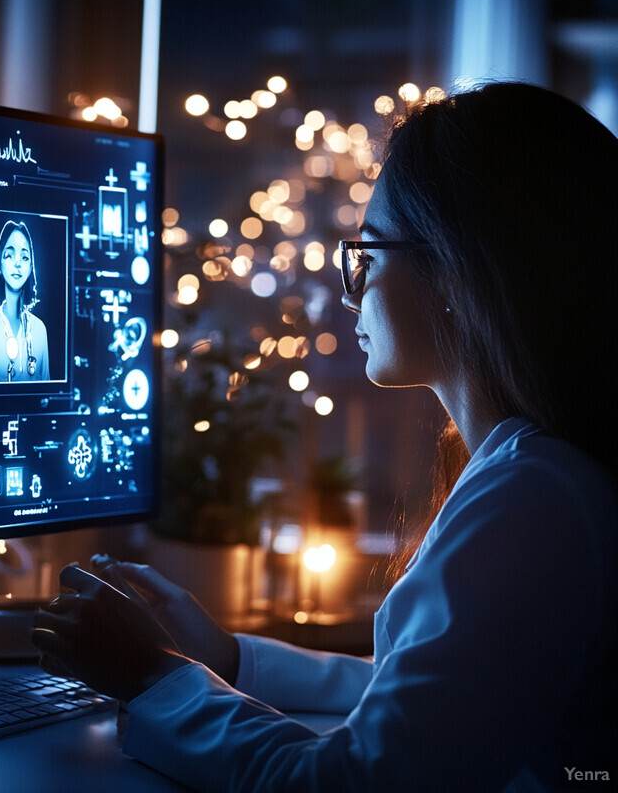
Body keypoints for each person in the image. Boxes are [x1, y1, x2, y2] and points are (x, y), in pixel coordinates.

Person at [32, 82, 617, 792]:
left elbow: (356, 781)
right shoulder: (540, 475)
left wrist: (153, 678)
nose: (351, 291)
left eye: (367, 254)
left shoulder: (534, 499)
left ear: (457, 272)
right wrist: (225, 656)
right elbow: (425, 703)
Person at [0, 219, 49, 382]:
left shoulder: (40, 329)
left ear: (30, 268)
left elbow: (46, 394)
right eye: (9, 255)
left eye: (25, 257)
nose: (17, 263)